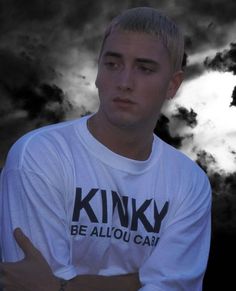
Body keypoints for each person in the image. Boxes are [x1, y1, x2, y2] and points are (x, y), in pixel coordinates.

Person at [0, 7, 211, 291]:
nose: (124, 83)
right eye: (112, 64)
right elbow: (28, 283)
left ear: (172, 85)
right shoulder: (39, 155)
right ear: (98, 72)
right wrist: (136, 280)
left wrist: (62, 288)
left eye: (144, 68)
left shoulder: (189, 183)